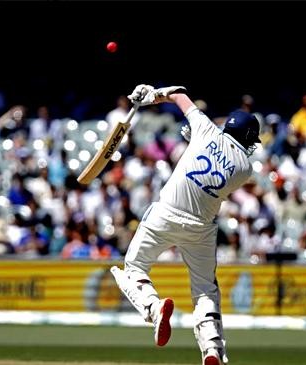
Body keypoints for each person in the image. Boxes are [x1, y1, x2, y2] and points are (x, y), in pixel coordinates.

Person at [111, 84, 260, 365]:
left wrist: (151, 94)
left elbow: (179, 93)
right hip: (201, 229)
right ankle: (212, 349)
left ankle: (154, 308)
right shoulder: (245, 169)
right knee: (205, 290)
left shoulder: (206, 129)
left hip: (166, 214)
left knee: (132, 268)